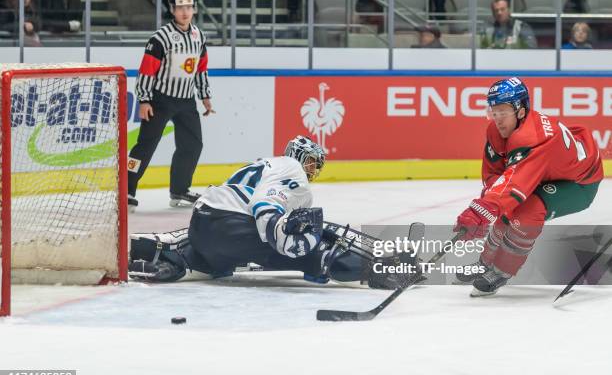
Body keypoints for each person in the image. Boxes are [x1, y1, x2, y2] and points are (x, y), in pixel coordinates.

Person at [128, 136, 417, 289]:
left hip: (204, 226)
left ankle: (165, 254)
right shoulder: (291, 168)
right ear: (301, 157)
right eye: (314, 162)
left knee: (215, 255)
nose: (316, 169)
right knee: (317, 251)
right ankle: (380, 268)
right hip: (232, 226)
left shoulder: (266, 164)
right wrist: (287, 237)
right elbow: (266, 206)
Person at [453, 77, 603, 296]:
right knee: (507, 205)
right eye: (494, 111)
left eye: (503, 111)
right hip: (550, 172)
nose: (497, 119)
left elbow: (515, 184)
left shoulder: (533, 137)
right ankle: (484, 263)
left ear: (521, 111)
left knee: (526, 210)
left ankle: (501, 270)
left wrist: (482, 209)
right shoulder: (496, 132)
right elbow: (495, 175)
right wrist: (489, 205)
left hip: (579, 183)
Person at [129, 0, 213, 211]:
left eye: (189, 6)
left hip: (186, 101)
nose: (185, 12)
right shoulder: (160, 38)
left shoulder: (199, 36)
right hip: (160, 100)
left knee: (192, 145)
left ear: (194, 8)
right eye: (180, 7)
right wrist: (144, 100)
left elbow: (200, 69)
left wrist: (204, 95)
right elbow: (146, 71)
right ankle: (126, 189)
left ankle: (179, 189)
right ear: (172, 9)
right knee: (146, 145)